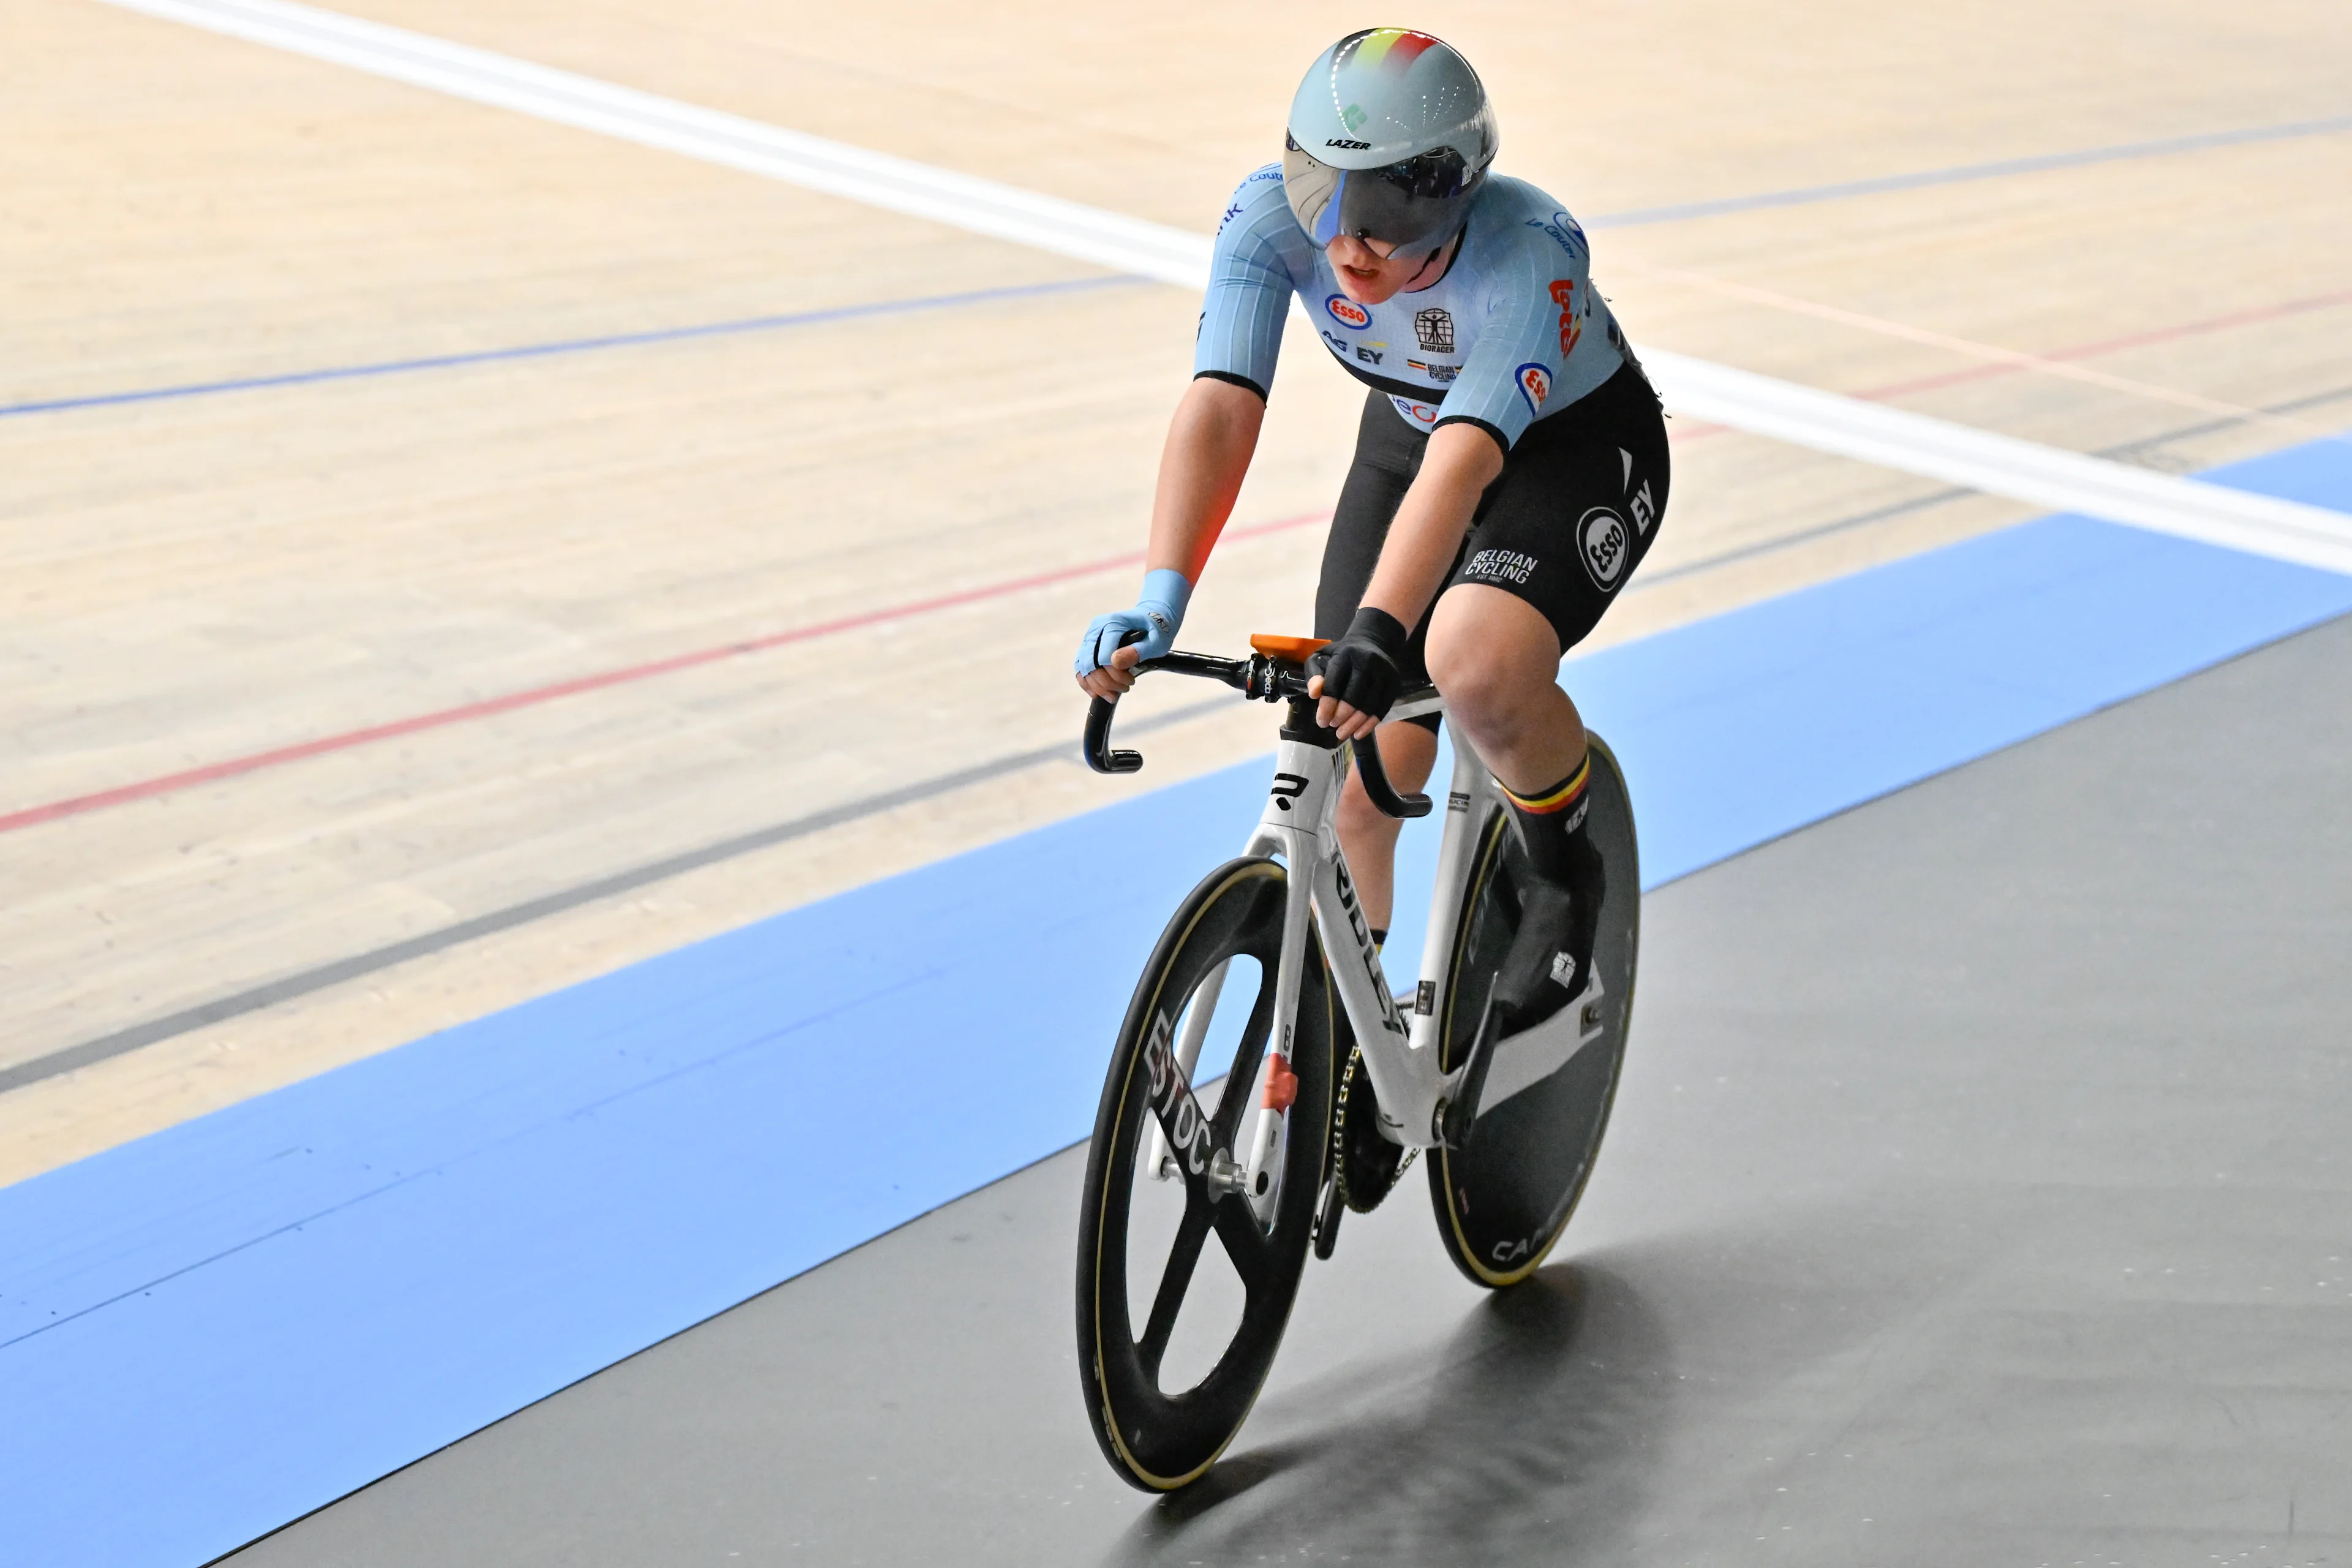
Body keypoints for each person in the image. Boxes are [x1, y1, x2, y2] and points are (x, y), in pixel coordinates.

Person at [1074, 28, 1668, 1032]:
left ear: (1456, 194)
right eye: (1326, 198)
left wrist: (1380, 633)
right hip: (1412, 439)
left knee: (1471, 662)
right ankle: (1346, 1063)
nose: (1347, 243)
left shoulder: (1527, 254)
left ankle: (1568, 883)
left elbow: (1468, 462)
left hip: (1568, 453)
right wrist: (1159, 597)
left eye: (1387, 216)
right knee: (1353, 773)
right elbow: (1222, 402)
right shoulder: (1269, 220)